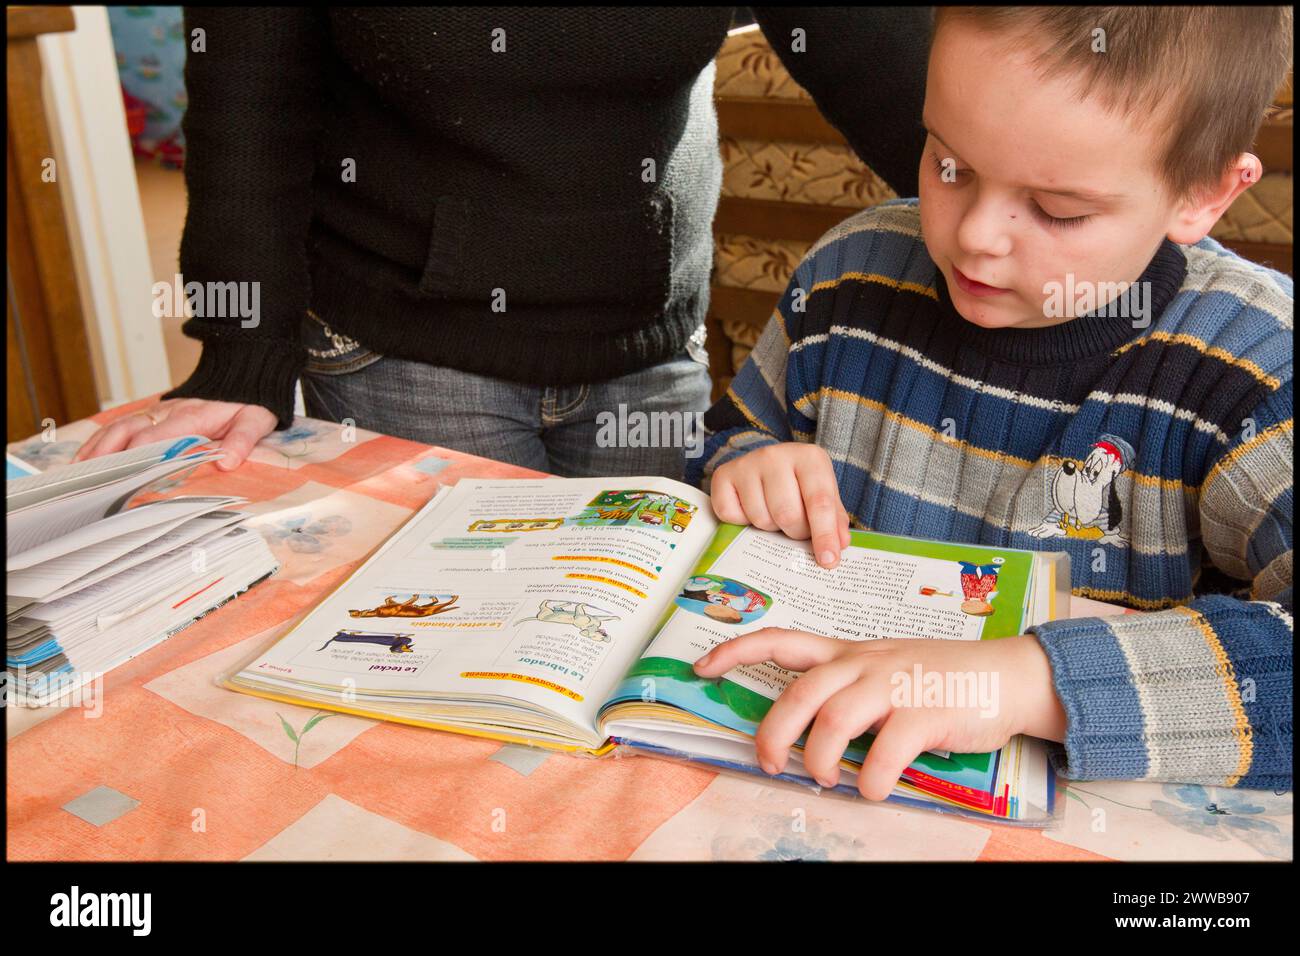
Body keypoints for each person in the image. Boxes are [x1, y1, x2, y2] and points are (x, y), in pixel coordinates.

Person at [688, 6, 1293, 797]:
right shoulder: (847, 278)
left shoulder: (1253, 365)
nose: (975, 234)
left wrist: (1025, 682)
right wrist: (747, 463)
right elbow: (725, 444)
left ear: (1203, 194)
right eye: (948, 164)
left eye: (1058, 210)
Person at [74, 8, 933, 478]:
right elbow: (248, 102)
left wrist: (1039, 218)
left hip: (647, 333)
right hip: (407, 348)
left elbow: (898, 78)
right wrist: (241, 353)